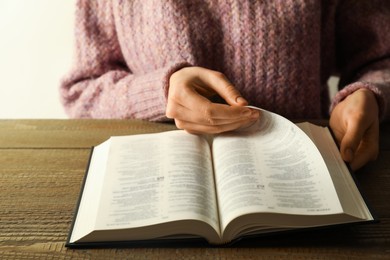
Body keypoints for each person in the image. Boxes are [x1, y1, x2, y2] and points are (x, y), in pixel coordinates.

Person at [60, 0, 390, 171]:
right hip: (159, 186)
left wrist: (367, 95)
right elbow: (83, 93)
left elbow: (379, 60)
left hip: (302, 179)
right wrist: (160, 93)